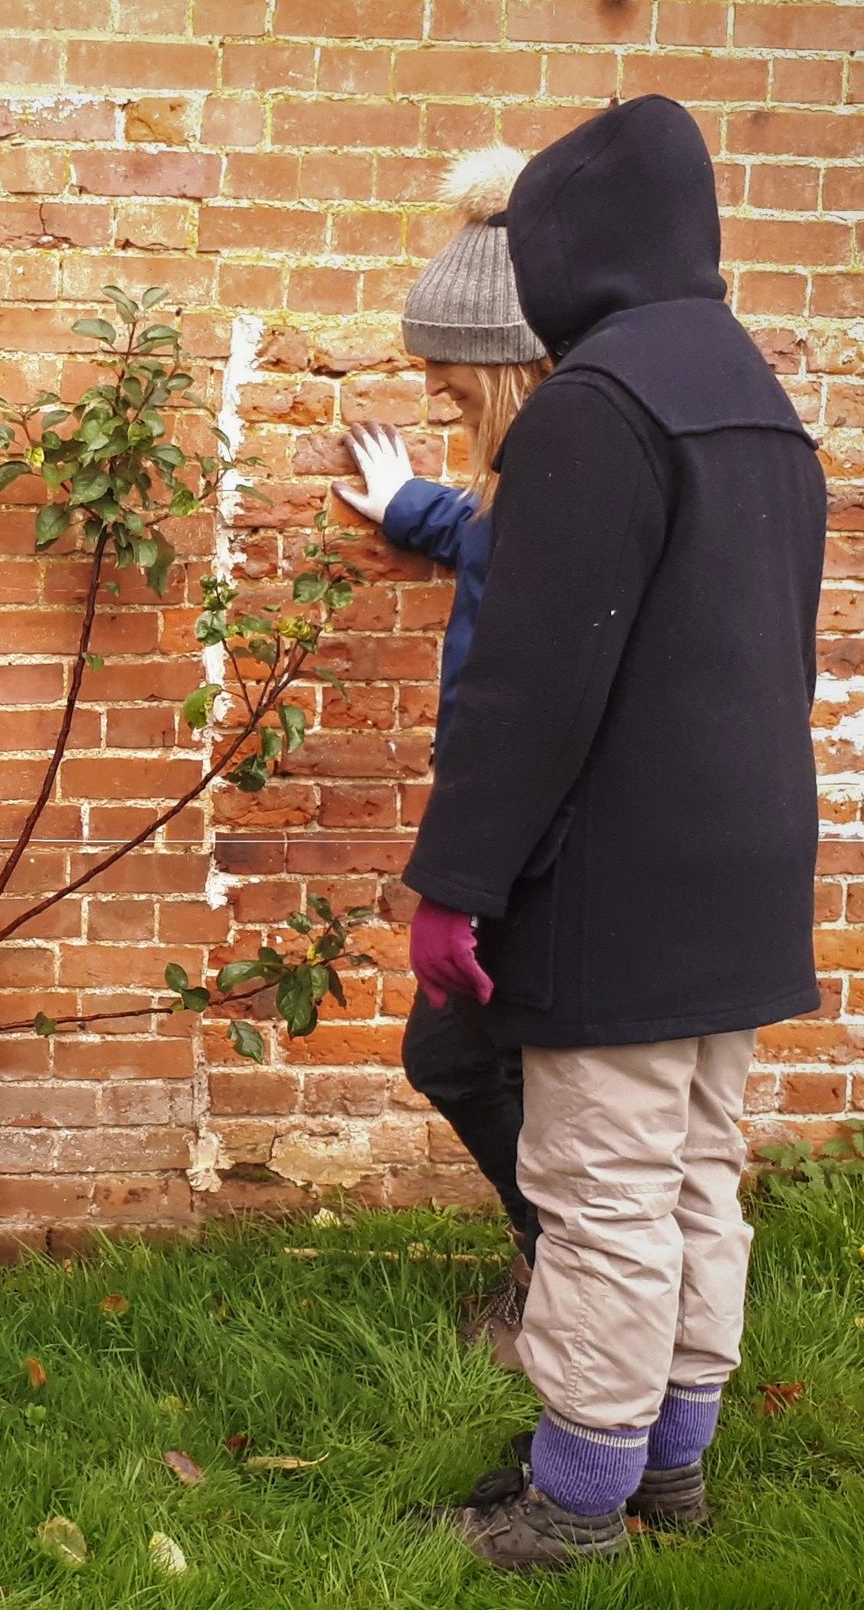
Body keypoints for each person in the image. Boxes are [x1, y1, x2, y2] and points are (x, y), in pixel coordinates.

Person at [401, 95, 826, 1570]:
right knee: (700, 1172)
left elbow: (536, 684)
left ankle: (576, 1505)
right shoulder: (756, 399)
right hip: (748, 875)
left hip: (622, 886)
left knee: (600, 1197)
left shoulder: (598, 402)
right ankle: (674, 1469)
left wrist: (455, 884)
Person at [333, 146, 551, 1368]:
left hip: (520, 848)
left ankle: (566, 1280)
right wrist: (414, 507)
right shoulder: (509, 493)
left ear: (506, 369)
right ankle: (562, 1268)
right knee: (475, 1061)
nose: (445, 405)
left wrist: (464, 880)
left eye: (455, 388)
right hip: (497, 841)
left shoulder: (552, 485)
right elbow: (487, 539)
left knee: (464, 1058)